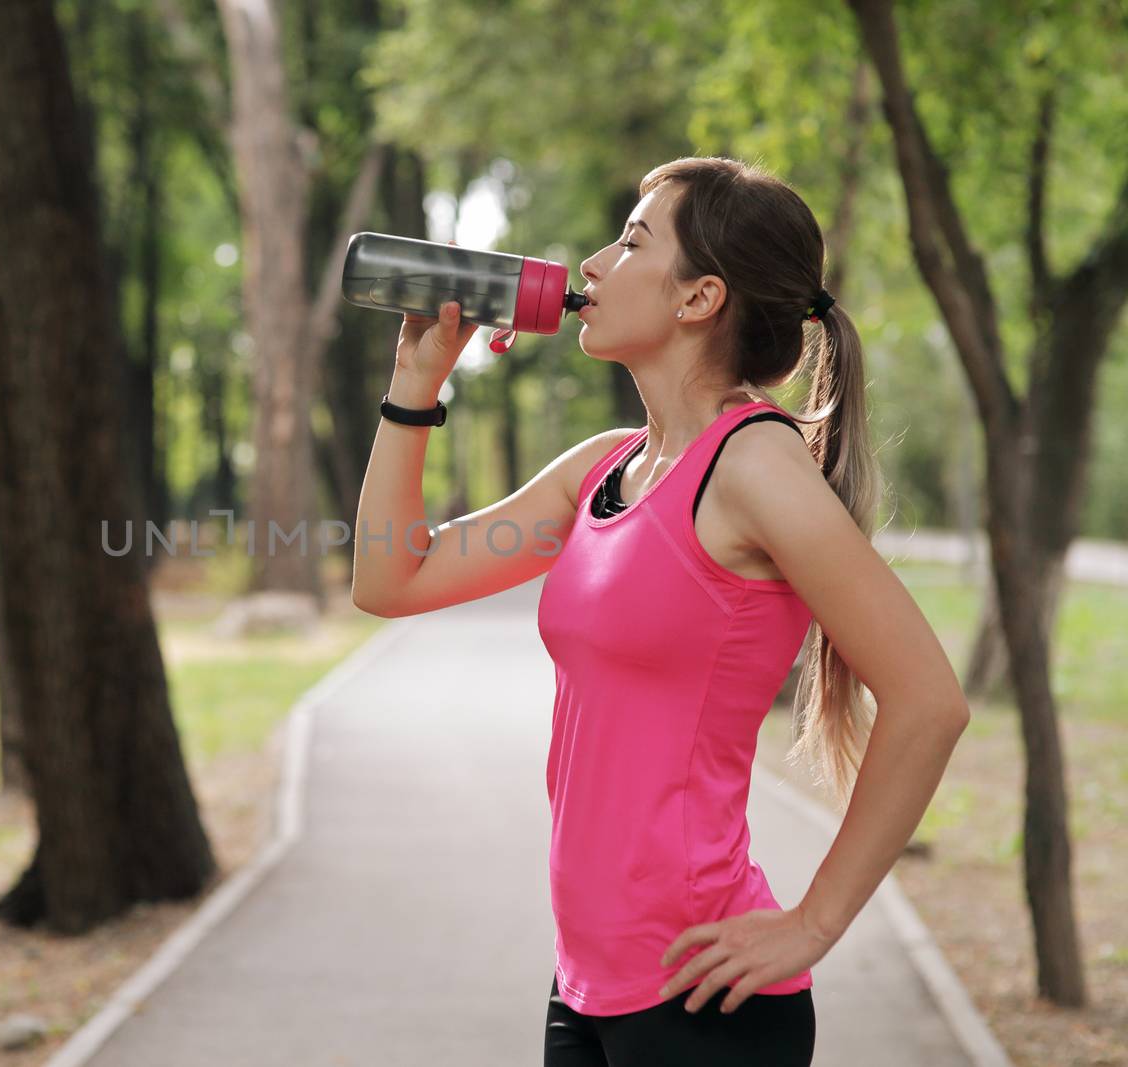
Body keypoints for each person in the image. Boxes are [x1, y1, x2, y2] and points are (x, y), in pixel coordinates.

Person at [350, 156, 971, 1067]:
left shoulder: (756, 467)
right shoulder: (605, 467)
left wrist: (812, 924)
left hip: (699, 998)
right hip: (586, 984)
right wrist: (416, 386)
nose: (593, 264)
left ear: (699, 299)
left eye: (633, 241)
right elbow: (392, 579)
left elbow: (929, 700)